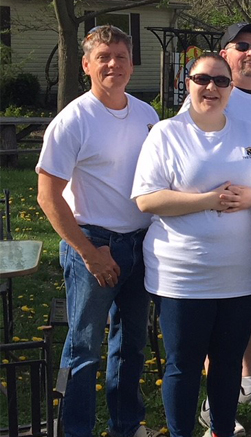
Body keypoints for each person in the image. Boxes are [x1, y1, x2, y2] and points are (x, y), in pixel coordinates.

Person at [132, 52, 251, 437]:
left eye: (221, 81)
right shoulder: (166, 133)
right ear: (186, 82)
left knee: (227, 365)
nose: (212, 88)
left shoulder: (249, 134)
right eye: (202, 80)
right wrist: (208, 200)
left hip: (240, 274)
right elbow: (146, 199)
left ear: (231, 88)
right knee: (183, 365)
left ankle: (222, 430)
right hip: (182, 276)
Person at [36, 25, 160, 437]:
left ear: (131, 63)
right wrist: (90, 252)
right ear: (86, 65)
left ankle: (126, 425)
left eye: (121, 56)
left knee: (131, 347)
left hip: (139, 245)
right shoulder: (72, 121)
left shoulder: (148, 115)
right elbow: (47, 196)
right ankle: (75, 429)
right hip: (93, 244)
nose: (113, 64)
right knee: (83, 348)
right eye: (103, 57)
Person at [179, 22, 251, 428]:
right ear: (225, 55)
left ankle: (249, 384)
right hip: (220, 226)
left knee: (249, 311)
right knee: (221, 314)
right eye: (241, 46)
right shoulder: (209, 96)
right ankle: (214, 405)